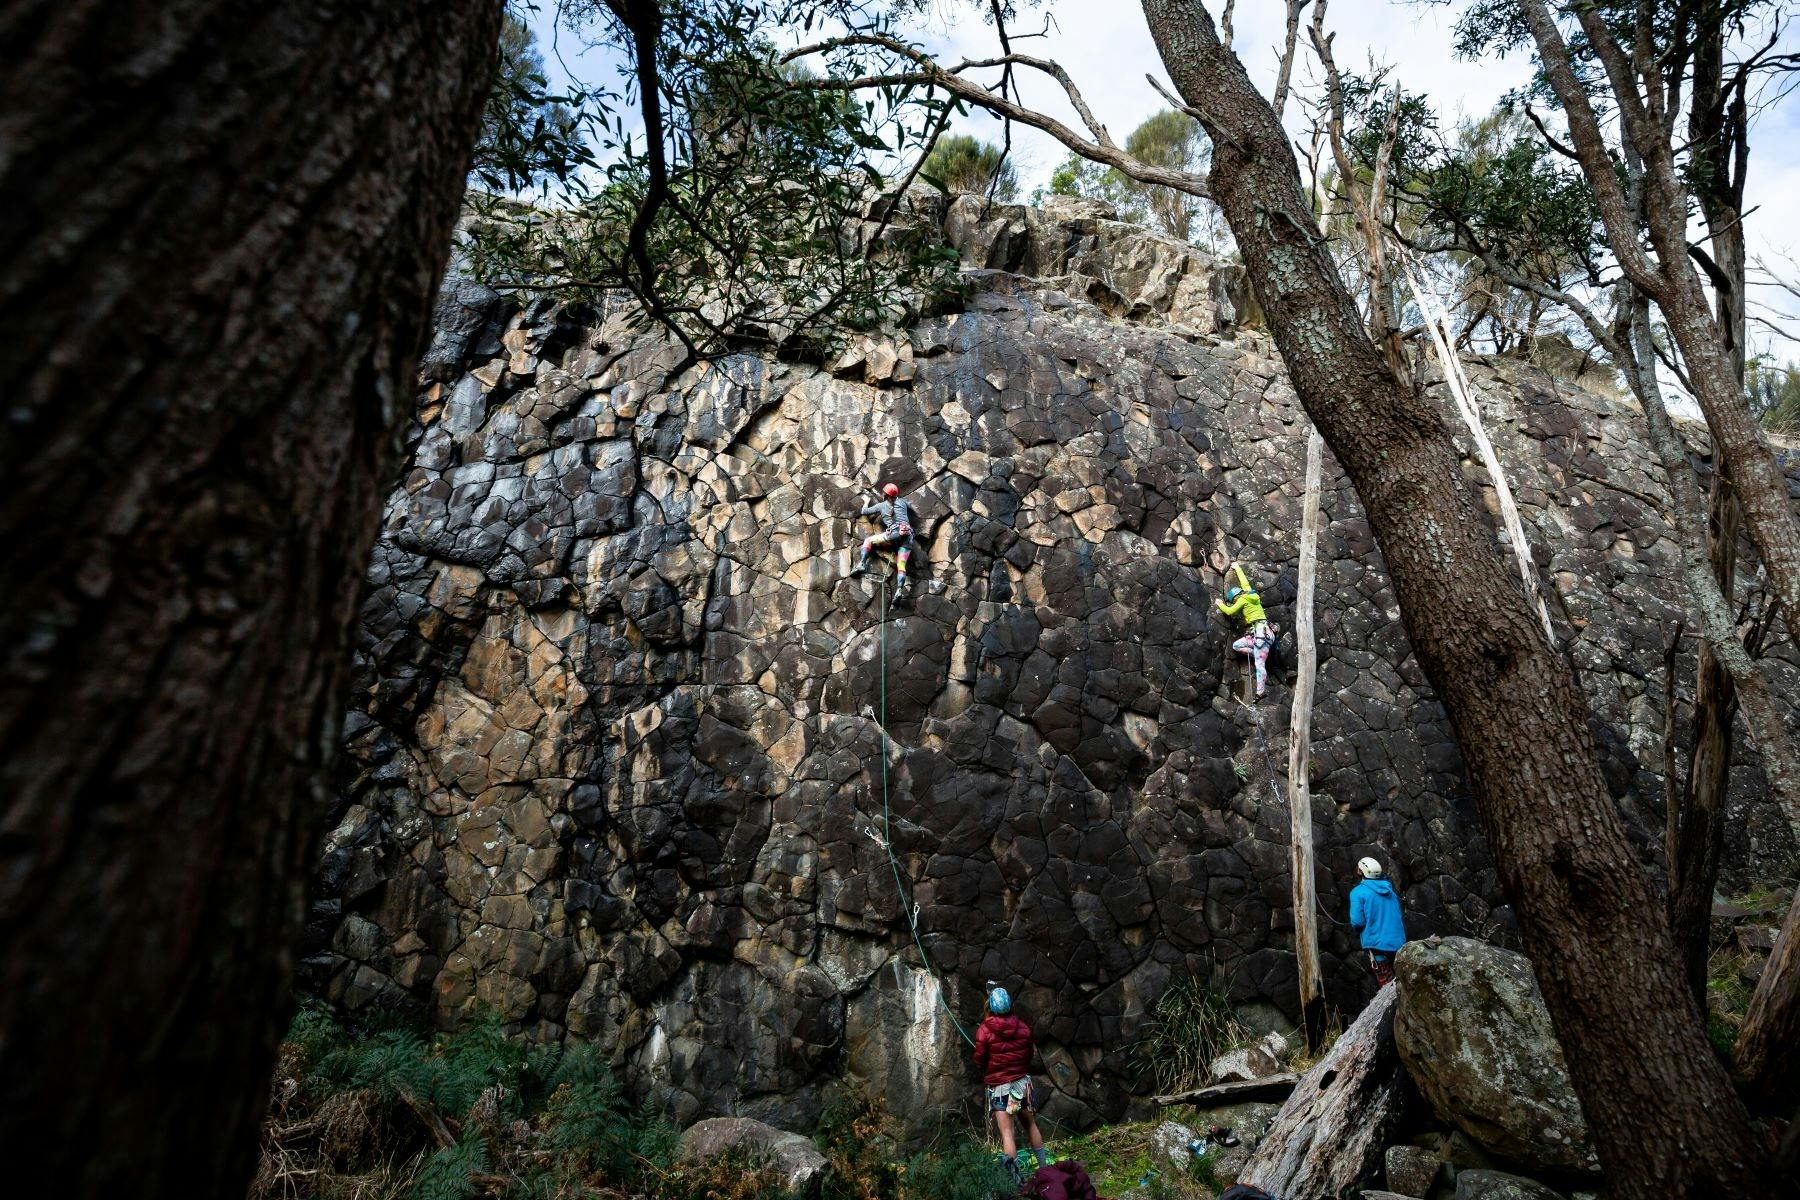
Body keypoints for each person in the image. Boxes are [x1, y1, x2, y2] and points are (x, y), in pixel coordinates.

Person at [974, 984, 1050, 1180]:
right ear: (1010, 1005)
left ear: (990, 1006)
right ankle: (1044, 1170)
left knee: (1008, 1134)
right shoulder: (1023, 1028)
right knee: (1031, 1125)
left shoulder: (984, 1030)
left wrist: (989, 1069)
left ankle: (1015, 1182)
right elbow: (1029, 1055)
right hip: (1021, 1085)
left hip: (1001, 1088)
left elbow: (979, 1059)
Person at [1216, 561, 1275, 697]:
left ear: (1235, 598)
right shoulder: (1250, 593)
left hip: (1261, 635)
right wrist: (1237, 568)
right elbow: (1245, 582)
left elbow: (1230, 611)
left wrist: (1220, 604)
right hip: (1261, 634)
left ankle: (1261, 692)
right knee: (1236, 645)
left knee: (1259, 665)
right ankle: (1259, 654)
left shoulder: (1242, 600)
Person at [1349, 856, 1408, 987]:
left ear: (1361, 871)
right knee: (1403, 984)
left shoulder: (1358, 892)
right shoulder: (1390, 891)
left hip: (1377, 946)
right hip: (1399, 945)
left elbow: (1357, 922)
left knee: (1388, 987)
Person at [850, 482, 916, 599]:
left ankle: (862, 564)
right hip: (908, 535)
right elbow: (912, 509)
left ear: (885, 495)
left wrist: (866, 502)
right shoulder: (903, 502)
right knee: (901, 565)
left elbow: (864, 512)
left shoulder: (882, 506)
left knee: (868, 541)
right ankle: (899, 590)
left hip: (894, 535)